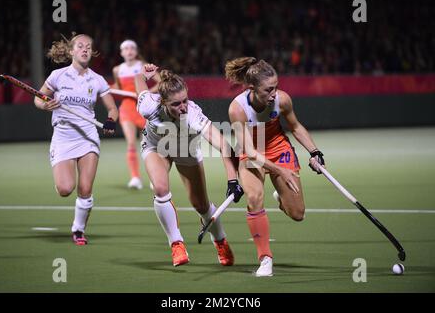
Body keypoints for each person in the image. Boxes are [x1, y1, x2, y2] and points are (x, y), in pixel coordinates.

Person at [135, 63, 244, 267]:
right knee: (160, 188)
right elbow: (139, 84)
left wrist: (232, 180)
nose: (183, 107)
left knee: (201, 205)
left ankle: (220, 240)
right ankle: (176, 243)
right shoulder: (149, 105)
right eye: (176, 104)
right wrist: (142, 74)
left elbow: (224, 146)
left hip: (186, 149)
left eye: (185, 100)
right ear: (163, 102)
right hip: (156, 147)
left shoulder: (193, 115)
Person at [226, 57, 325, 277]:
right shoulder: (237, 109)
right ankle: (265, 259)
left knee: (297, 214)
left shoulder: (283, 100)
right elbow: (250, 153)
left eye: (276, 87)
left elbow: (296, 127)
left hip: (277, 146)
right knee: (254, 199)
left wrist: (315, 152)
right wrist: (280, 171)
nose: (274, 93)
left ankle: (281, 198)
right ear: (252, 88)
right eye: (268, 89)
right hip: (252, 149)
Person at [34, 33, 118, 245]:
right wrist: (45, 105)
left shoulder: (97, 80)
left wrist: (110, 120)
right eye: (80, 46)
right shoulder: (57, 75)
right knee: (64, 189)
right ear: (71, 51)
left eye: (88, 47)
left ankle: (78, 230)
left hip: (88, 137)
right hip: (63, 137)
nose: (85, 49)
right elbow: (38, 97)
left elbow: (112, 108)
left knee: (85, 188)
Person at [112, 40, 161, 189]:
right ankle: (135, 178)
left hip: (144, 108)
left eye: (132, 47)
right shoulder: (117, 70)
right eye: (126, 48)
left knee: (150, 144)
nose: (129, 50)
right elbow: (118, 87)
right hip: (127, 109)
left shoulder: (143, 66)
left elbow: (160, 83)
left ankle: (155, 178)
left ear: (136, 50)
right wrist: (106, 88)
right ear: (121, 52)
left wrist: (144, 93)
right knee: (131, 143)